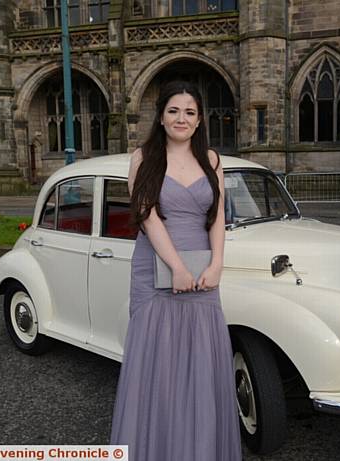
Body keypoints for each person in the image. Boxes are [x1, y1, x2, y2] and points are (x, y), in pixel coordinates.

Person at [110, 81, 242, 461]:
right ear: (162, 117)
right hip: (155, 268)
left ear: (200, 121)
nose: (181, 118)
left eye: (189, 112)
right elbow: (147, 218)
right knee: (159, 362)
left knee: (201, 359)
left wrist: (217, 264)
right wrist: (177, 268)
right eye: (173, 111)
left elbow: (217, 218)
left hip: (204, 271)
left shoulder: (212, 160)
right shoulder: (142, 158)